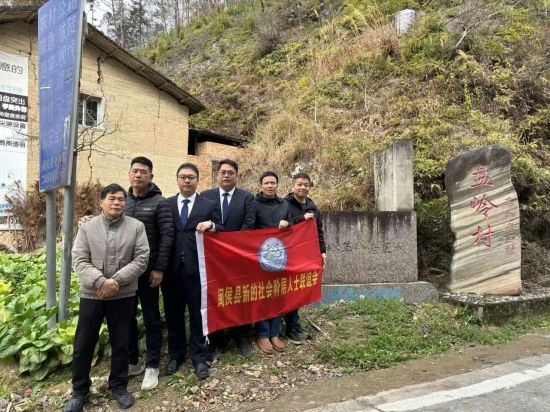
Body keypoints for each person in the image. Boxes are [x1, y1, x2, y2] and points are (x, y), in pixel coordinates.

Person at [65, 184, 149, 412]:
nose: (117, 202)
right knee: (83, 344)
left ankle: (119, 386)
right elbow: (79, 260)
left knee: (121, 343)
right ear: (101, 202)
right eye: (112, 198)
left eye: (121, 199)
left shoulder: (136, 227)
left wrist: (115, 282)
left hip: (123, 294)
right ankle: (79, 391)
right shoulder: (87, 228)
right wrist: (101, 282)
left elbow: (142, 259)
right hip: (92, 294)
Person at [164, 163, 223, 378]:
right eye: (183, 177)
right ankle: (176, 355)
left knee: (198, 315)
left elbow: (222, 229)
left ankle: (199, 357)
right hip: (171, 271)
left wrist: (212, 226)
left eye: (191, 177)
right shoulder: (167, 204)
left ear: (198, 180)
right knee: (173, 315)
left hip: (197, 270)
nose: (187, 180)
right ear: (177, 179)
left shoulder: (208, 205)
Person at [124, 157, 174, 390]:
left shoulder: (160, 203)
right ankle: (133, 360)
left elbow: (167, 237)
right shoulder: (122, 201)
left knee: (152, 318)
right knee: (127, 317)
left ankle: (152, 365)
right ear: (129, 174)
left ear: (151, 177)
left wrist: (159, 268)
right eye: (135, 171)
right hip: (125, 273)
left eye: (143, 172)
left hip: (149, 273)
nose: (138, 175)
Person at [201, 159, 256, 359]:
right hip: (213, 259)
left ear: (236, 176)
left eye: (230, 172)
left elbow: (249, 225)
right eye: (223, 172)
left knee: (240, 296)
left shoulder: (246, 197)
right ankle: (217, 340)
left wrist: (233, 248)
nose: (226, 175)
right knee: (215, 297)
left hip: (238, 258)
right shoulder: (205, 196)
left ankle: (242, 337)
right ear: (217, 175)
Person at [283, 172, 326, 344]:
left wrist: (322, 251)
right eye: (299, 184)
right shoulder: (284, 204)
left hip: (305, 254)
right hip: (289, 254)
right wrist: (301, 218)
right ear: (293, 186)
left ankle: (295, 323)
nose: (302, 187)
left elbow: (318, 231)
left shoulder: (313, 207)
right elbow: (282, 225)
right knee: (290, 290)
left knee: (299, 289)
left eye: (306, 185)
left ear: (309, 187)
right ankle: (290, 328)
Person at [253, 171, 290, 356]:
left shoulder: (284, 205)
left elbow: (293, 224)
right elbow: (249, 228)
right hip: (259, 257)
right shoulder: (253, 204)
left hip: (280, 256)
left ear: (277, 185)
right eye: (266, 183)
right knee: (262, 295)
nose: (269, 185)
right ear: (261, 185)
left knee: (278, 294)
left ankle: (275, 333)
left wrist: (288, 223)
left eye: (273, 182)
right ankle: (262, 334)